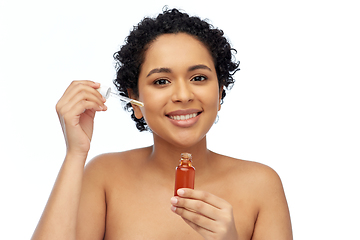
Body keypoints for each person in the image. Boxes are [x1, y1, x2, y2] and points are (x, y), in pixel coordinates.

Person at [31, 8, 292, 240]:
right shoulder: (104, 176)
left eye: (199, 77)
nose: (183, 95)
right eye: (161, 81)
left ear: (220, 91)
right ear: (134, 100)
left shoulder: (261, 186)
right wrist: (75, 154)